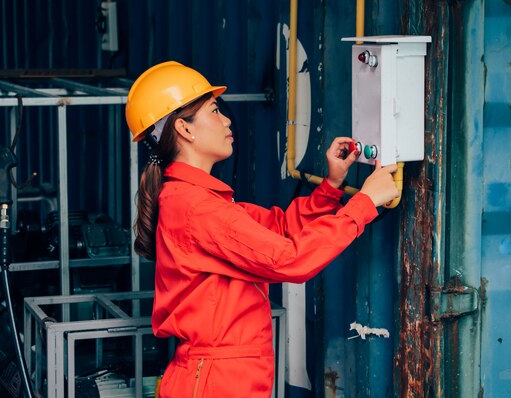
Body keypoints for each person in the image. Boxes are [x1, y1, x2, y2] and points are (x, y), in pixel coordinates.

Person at [125, 61, 399, 397]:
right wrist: (364, 204)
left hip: (221, 376)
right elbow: (289, 260)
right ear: (185, 129)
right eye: (214, 110)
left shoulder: (198, 199)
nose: (227, 120)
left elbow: (279, 229)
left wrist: (331, 185)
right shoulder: (196, 208)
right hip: (216, 382)